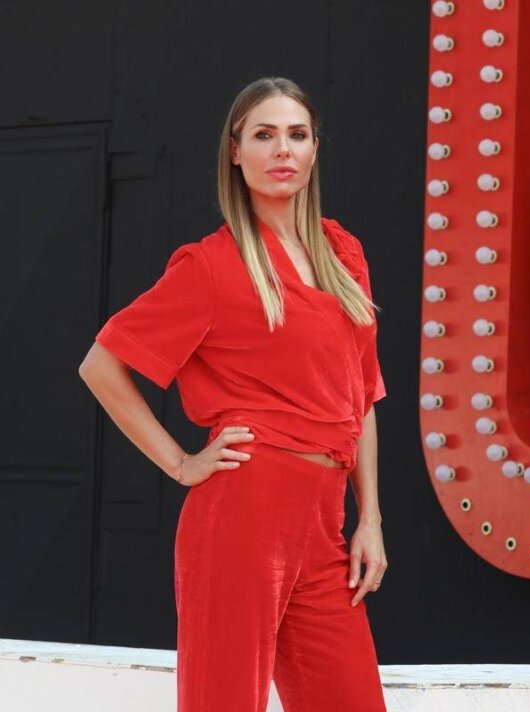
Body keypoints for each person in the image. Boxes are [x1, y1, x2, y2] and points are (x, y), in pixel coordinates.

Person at [78, 76, 389, 711]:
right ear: (236, 152)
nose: (283, 150)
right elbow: (101, 365)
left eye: (297, 135)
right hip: (245, 512)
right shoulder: (212, 266)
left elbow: (361, 398)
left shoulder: (343, 255)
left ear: (315, 147)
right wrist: (180, 463)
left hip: (325, 524)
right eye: (264, 135)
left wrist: (371, 519)